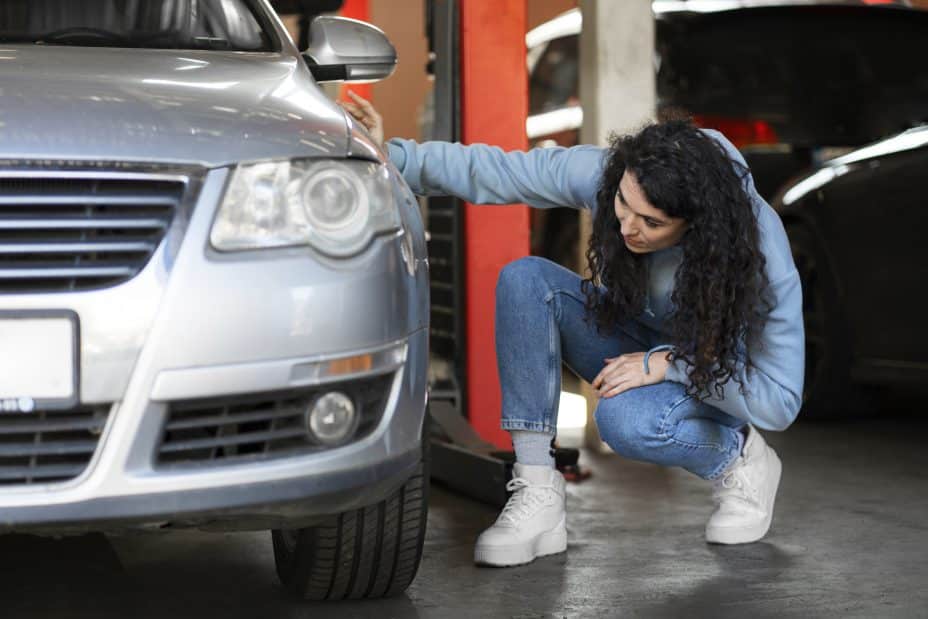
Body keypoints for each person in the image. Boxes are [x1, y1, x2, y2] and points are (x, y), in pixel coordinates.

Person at [341, 91, 804, 567]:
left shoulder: (760, 258)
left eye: (652, 222)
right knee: (525, 280)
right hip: (637, 342)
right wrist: (390, 154)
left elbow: (780, 399)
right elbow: (502, 171)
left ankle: (740, 459)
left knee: (625, 421)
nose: (627, 227)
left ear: (698, 227)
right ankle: (537, 489)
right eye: (624, 205)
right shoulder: (614, 177)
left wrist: (671, 365)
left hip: (712, 376)